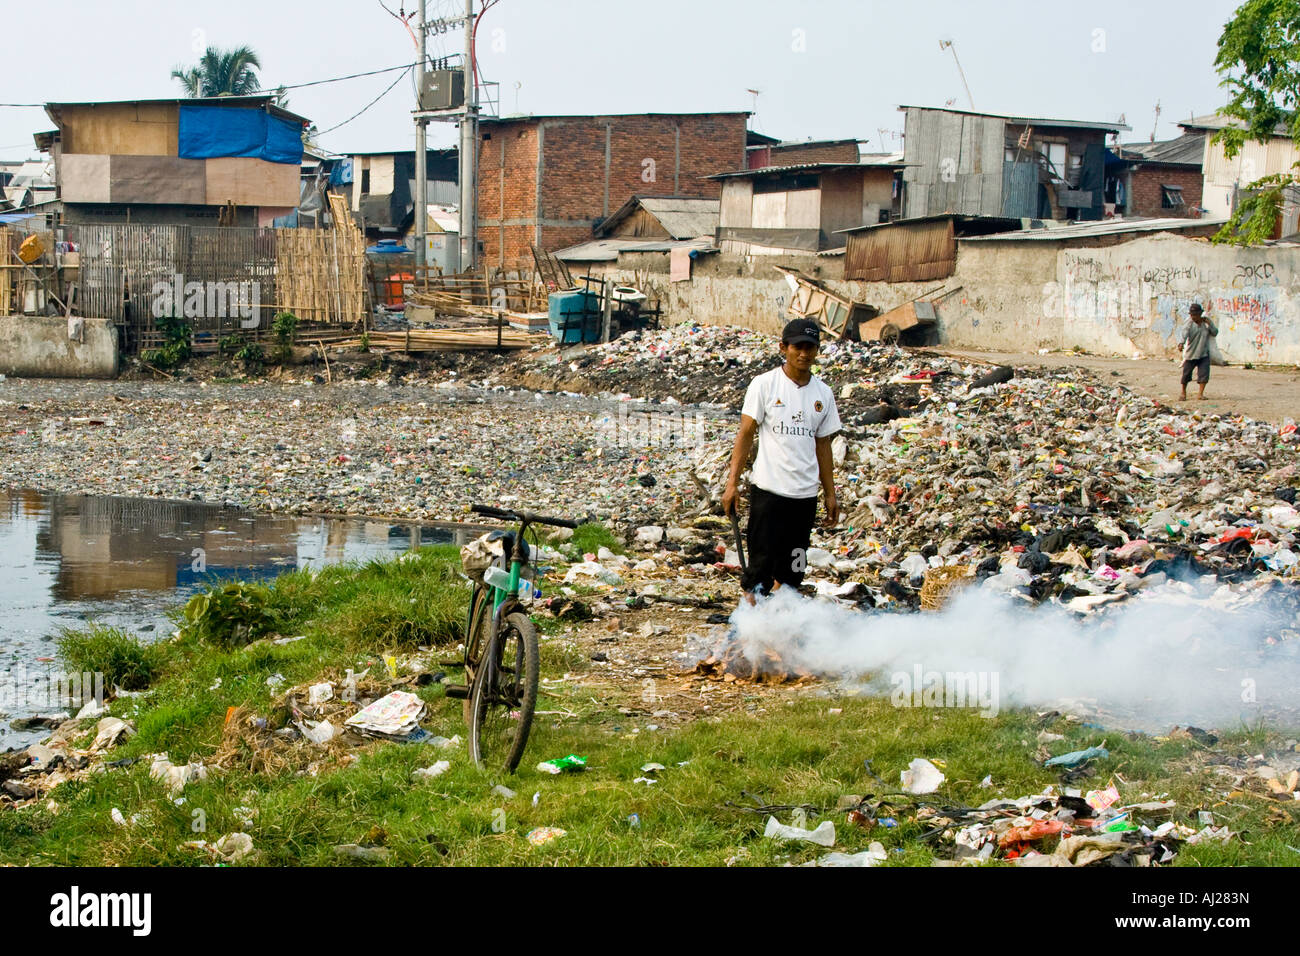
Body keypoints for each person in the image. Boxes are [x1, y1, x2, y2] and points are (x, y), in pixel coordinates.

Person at [722, 318, 841, 605]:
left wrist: (830, 493)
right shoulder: (764, 385)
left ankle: (780, 629)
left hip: (804, 498)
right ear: (783, 348)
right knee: (760, 567)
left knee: (795, 568)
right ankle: (748, 629)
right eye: (798, 347)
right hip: (769, 493)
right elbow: (746, 434)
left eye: (810, 347)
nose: (804, 353)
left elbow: (823, 445)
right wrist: (732, 484)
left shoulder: (823, 394)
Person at [1179, 303, 1219, 401]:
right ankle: (1183, 393)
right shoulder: (1189, 323)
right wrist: (1181, 343)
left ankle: (1200, 394)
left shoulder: (1205, 323)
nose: (1193, 317)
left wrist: (1210, 323)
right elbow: (1184, 334)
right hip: (1191, 353)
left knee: (1204, 374)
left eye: (1196, 315)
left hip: (1203, 353)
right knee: (1186, 375)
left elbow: (1214, 332)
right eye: (1192, 315)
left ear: (1200, 314)